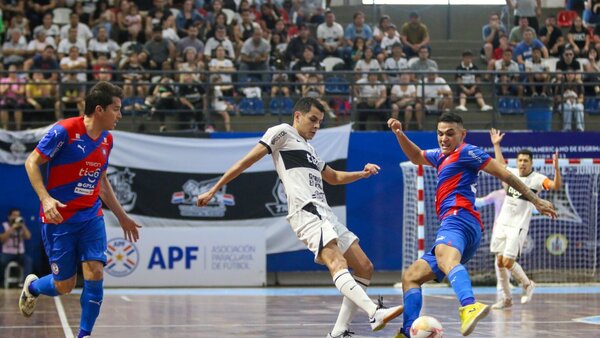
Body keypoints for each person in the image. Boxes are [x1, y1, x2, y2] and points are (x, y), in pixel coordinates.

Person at [196, 97, 404, 338]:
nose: (316, 126)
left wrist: (363, 173)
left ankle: (339, 331)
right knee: (338, 262)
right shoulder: (282, 132)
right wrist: (215, 188)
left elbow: (334, 177)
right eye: (312, 119)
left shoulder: (310, 149)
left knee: (364, 267)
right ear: (297, 116)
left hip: (325, 213)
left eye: (320, 122)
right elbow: (247, 161)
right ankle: (373, 311)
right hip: (306, 210)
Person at [387, 113, 556, 338]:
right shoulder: (440, 156)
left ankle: (469, 305)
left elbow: (505, 174)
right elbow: (417, 155)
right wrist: (400, 134)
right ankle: (407, 332)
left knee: (446, 258)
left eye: (450, 134)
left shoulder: (468, 151)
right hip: (454, 224)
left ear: (462, 134)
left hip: (460, 219)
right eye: (440, 133)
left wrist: (535, 199)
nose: (443, 138)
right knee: (411, 276)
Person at [21, 81, 142, 338]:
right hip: (59, 218)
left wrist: (122, 217)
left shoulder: (108, 140)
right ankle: (33, 287)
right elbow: (31, 161)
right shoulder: (64, 131)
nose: (120, 115)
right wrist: (45, 199)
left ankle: (84, 334)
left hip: (90, 215)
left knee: (95, 270)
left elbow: (102, 182)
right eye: (116, 109)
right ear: (99, 109)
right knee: (64, 286)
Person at [488, 128, 561, 309]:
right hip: (502, 223)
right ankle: (506, 298)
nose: (522, 164)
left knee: (507, 262)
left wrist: (556, 168)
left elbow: (555, 185)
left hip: (517, 225)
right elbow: (499, 164)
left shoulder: (538, 179)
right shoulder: (511, 172)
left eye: (525, 161)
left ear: (531, 163)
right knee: (499, 262)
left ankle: (528, 284)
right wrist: (496, 144)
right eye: (520, 160)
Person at [0, 208, 33, 286]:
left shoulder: (21, 226)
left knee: (28, 261)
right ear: (9, 217)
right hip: (7, 253)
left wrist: (23, 225)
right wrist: (12, 228)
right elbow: (2, 239)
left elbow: (28, 236)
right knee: (1, 261)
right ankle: (1, 282)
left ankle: (24, 283)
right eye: (14, 215)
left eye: (18, 215)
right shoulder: (4, 225)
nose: (16, 217)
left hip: (20, 254)